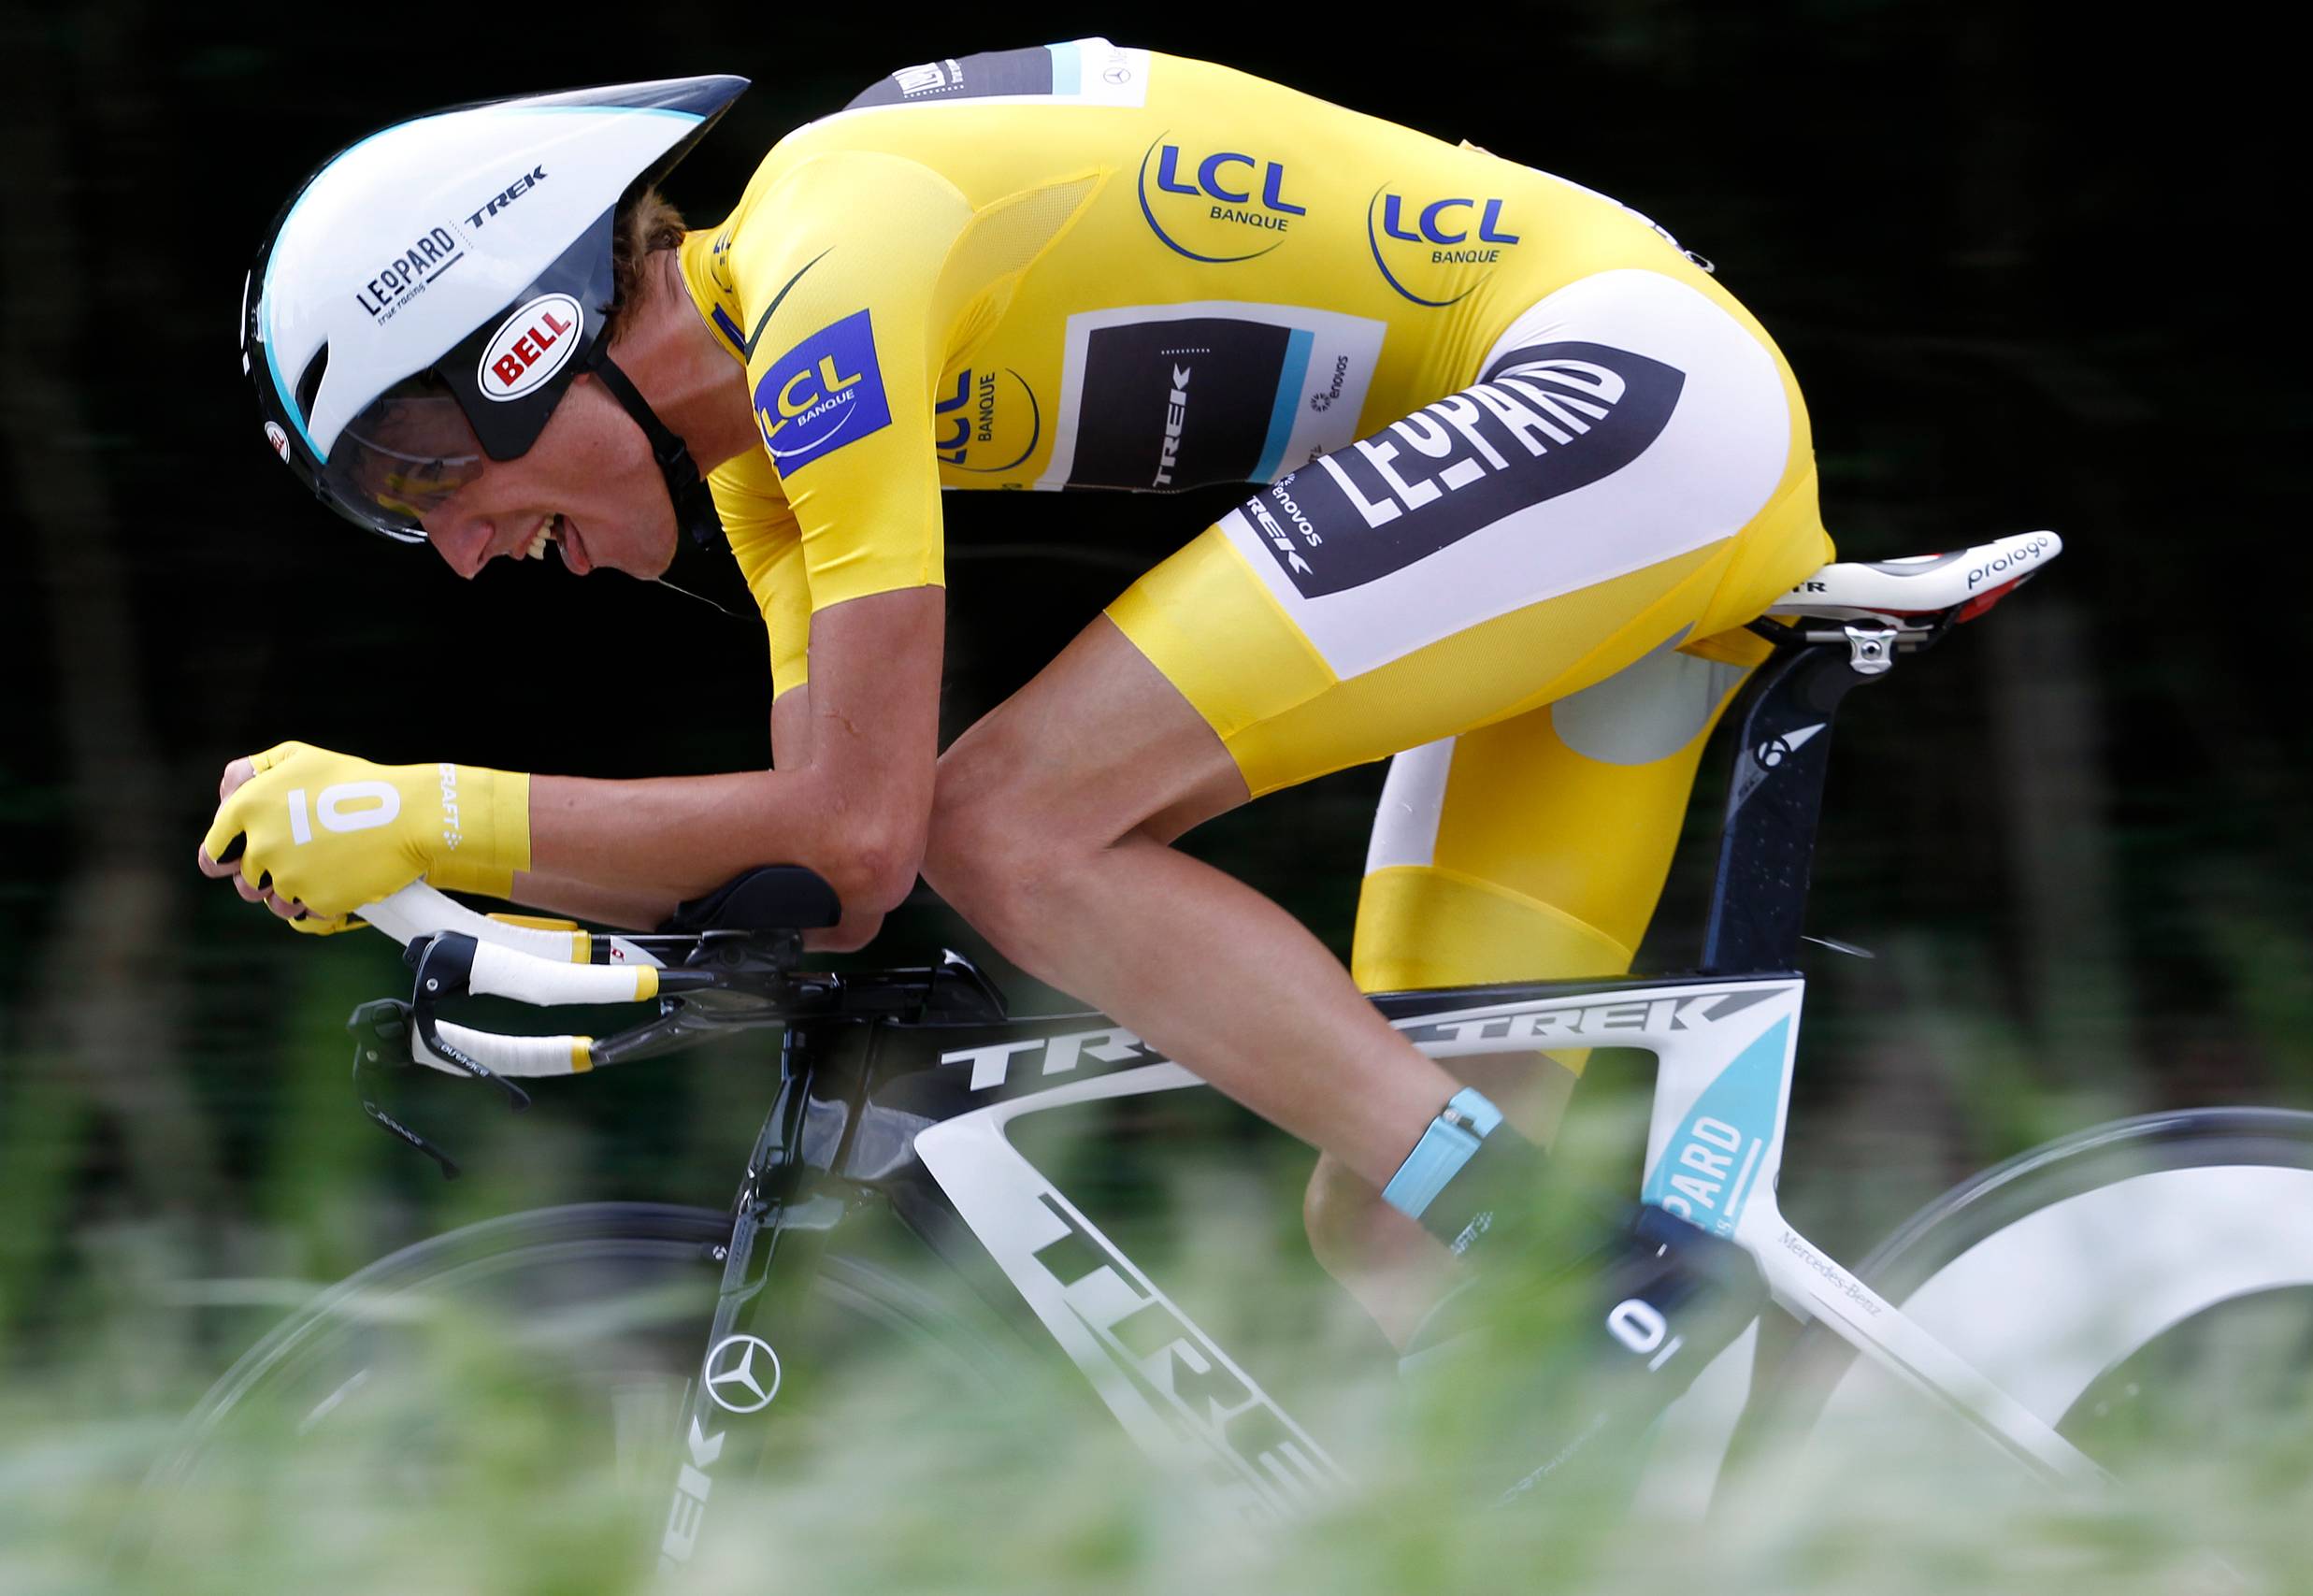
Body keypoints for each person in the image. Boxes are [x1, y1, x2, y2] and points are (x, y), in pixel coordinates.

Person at [208, 42, 1831, 1364]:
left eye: (426, 480)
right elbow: (834, 874)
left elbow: (881, 824)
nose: (465, 556)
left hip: (1626, 398)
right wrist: (481, 888)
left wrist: (411, 809)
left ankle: (1622, 1277)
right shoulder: (772, 474)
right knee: (1398, 1223)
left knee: (1015, 821)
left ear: (529, 341)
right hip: (1600, 498)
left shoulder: (827, 265)